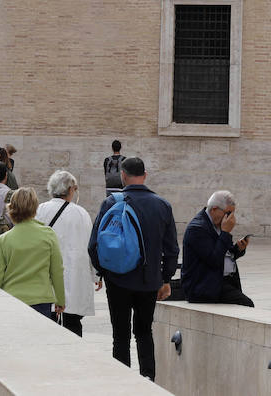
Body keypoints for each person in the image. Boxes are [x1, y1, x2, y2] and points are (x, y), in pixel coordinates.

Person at [87, 156, 179, 381]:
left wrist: (103, 271)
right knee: (144, 332)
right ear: (145, 175)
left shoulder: (111, 202)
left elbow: (93, 246)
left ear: (123, 176)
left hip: (118, 280)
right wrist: (166, 278)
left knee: (120, 335)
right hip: (149, 280)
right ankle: (148, 379)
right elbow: (172, 249)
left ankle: (122, 383)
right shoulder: (162, 205)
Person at [0, 187, 65, 320]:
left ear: (11, 208)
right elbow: (56, 270)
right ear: (35, 208)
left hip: (12, 298)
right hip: (41, 299)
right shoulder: (48, 234)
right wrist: (60, 299)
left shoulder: (3, 240)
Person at [36, 170, 98, 336]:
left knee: (48, 323)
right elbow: (91, 246)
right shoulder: (81, 213)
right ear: (70, 189)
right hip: (74, 276)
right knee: (73, 323)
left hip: (47, 275)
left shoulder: (41, 210)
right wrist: (97, 275)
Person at [182, 190, 254, 307]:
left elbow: (224, 253)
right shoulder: (197, 229)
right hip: (204, 286)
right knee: (246, 304)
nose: (230, 217)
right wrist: (225, 233)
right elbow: (214, 260)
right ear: (214, 209)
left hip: (221, 281)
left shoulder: (217, 225)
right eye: (228, 213)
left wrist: (237, 249)